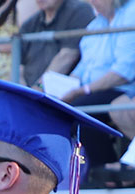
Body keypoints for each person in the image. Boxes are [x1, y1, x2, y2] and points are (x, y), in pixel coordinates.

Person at [54, 0, 135, 180]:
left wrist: (82, 90)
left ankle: (109, 174)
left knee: (82, 111)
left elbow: (124, 72)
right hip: (92, 90)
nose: (92, 2)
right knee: (62, 108)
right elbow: (83, 69)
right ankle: (104, 175)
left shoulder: (131, 12)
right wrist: (61, 88)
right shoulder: (96, 24)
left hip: (121, 88)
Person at [20, 0, 95, 89]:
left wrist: (39, 87)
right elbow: (17, 67)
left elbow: (67, 57)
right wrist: (22, 91)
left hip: (61, 94)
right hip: (29, 93)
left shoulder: (80, 11)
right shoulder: (29, 25)